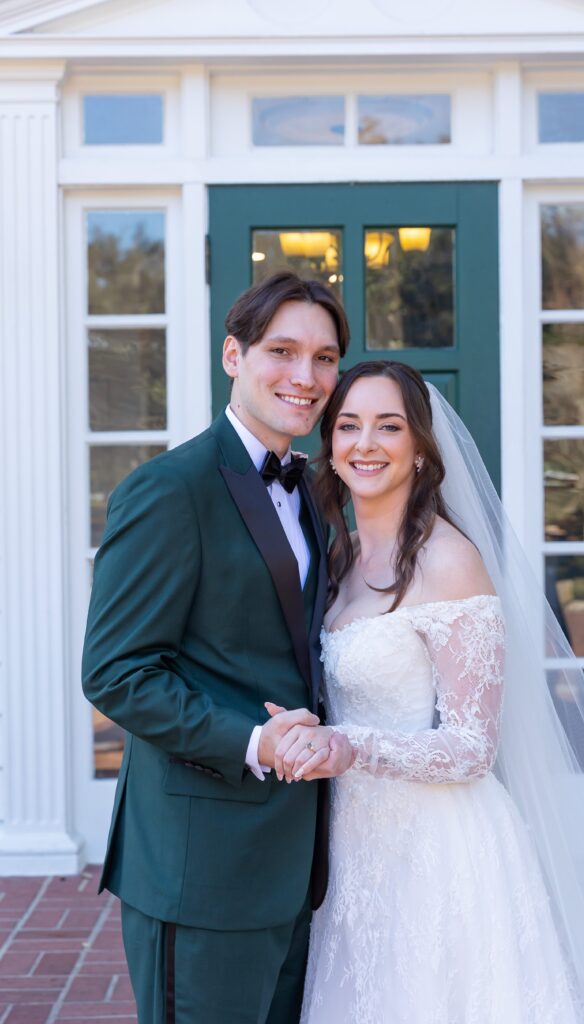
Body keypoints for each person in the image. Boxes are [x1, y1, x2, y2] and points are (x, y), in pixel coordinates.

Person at [271, 361, 584, 1023]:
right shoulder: (339, 554)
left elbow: (470, 748)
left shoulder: (448, 561)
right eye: (347, 425)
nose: (364, 443)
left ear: (421, 450)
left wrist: (346, 746)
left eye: (388, 426)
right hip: (354, 840)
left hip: (438, 844)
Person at [81, 271, 356, 1024]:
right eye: (282, 351)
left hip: (296, 863)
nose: (305, 377)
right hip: (200, 867)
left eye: (325, 358)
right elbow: (116, 671)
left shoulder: (310, 491)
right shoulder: (170, 489)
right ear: (232, 355)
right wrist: (254, 740)